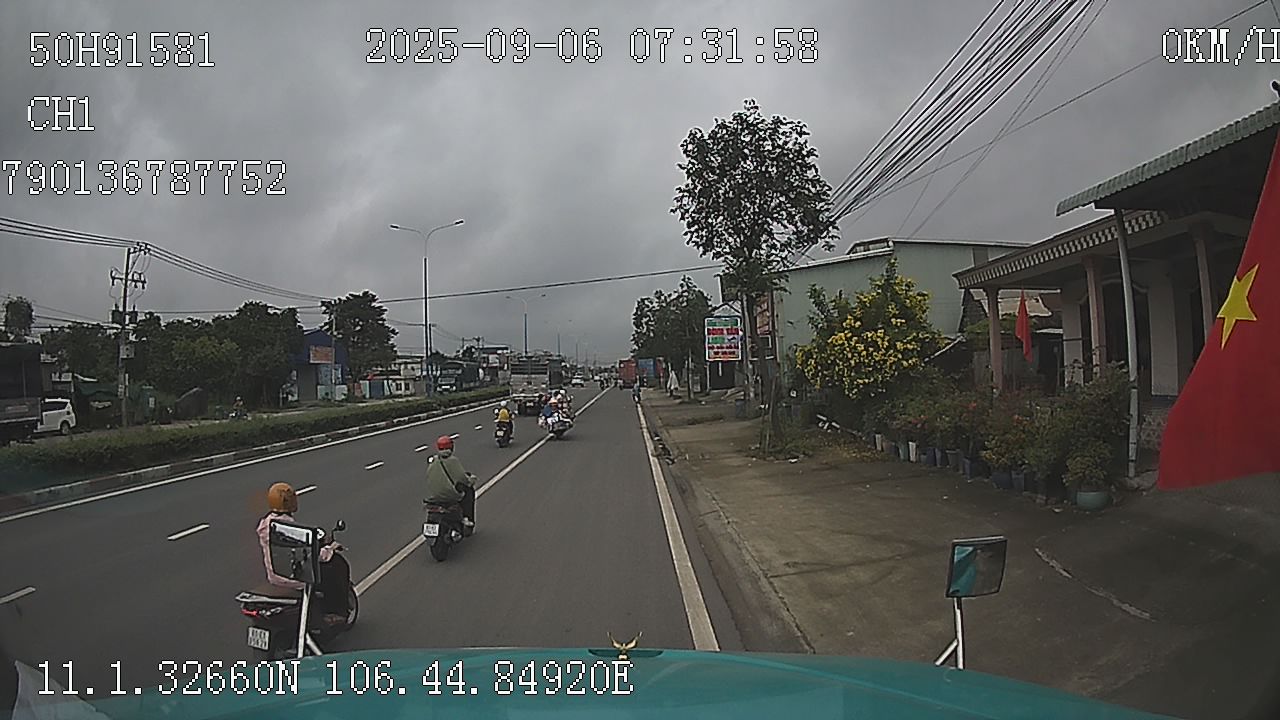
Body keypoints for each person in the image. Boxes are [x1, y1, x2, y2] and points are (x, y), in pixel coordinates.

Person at [256, 482, 347, 622]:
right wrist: (330, 549)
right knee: (335, 569)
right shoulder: (290, 530)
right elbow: (315, 556)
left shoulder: (266, 526)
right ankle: (336, 612)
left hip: (275, 575)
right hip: (294, 578)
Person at [424, 435, 476, 528]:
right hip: (450, 495)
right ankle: (467, 518)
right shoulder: (452, 460)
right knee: (468, 491)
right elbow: (461, 478)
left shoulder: (433, 461)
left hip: (435, 495)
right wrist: (471, 480)